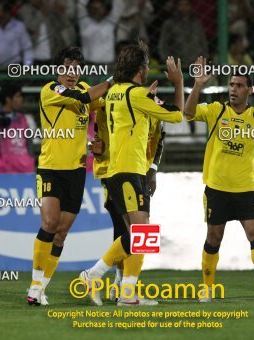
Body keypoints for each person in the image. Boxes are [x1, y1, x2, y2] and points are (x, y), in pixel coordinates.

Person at [80, 40, 184, 307]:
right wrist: (179, 82)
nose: (149, 68)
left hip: (116, 169)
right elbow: (177, 116)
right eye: (147, 65)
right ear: (140, 68)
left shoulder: (114, 91)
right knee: (141, 233)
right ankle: (94, 275)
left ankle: (127, 293)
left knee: (136, 234)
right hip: (129, 169)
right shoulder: (137, 95)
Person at [185, 56, 254, 302]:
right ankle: (207, 289)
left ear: (249, 90)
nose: (233, 89)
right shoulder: (215, 110)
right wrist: (198, 85)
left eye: (239, 85)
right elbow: (187, 112)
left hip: (247, 188)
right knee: (214, 237)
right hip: (217, 187)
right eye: (231, 85)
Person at [26, 46, 113, 306]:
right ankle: (34, 285)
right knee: (50, 224)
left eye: (76, 68)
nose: (71, 73)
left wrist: (98, 143)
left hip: (76, 171)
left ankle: (43, 288)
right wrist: (113, 79)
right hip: (51, 168)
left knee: (61, 233)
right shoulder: (51, 91)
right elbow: (87, 98)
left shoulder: (84, 89)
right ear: (57, 70)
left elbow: (105, 104)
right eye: (66, 68)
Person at [90, 80, 165, 302]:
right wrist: (97, 146)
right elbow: (85, 111)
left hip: (139, 170)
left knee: (138, 230)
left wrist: (152, 169)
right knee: (127, 228)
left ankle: (122, 287)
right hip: (113, 169)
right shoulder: (109, 99)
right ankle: (118, 284)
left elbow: (160, 139)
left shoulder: (152, 103)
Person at [0, 83, 35, 174]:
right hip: (3, 170)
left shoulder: (22, 119)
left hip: (24, 169)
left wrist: (29, 159)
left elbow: (29, 143)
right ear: (8, 99)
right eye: (17, 97)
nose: (21, 100)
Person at [0, 0, 33, 66]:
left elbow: (27, 47)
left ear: (6, 12)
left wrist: (27, 66)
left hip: (14, 67)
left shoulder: (18, 26)